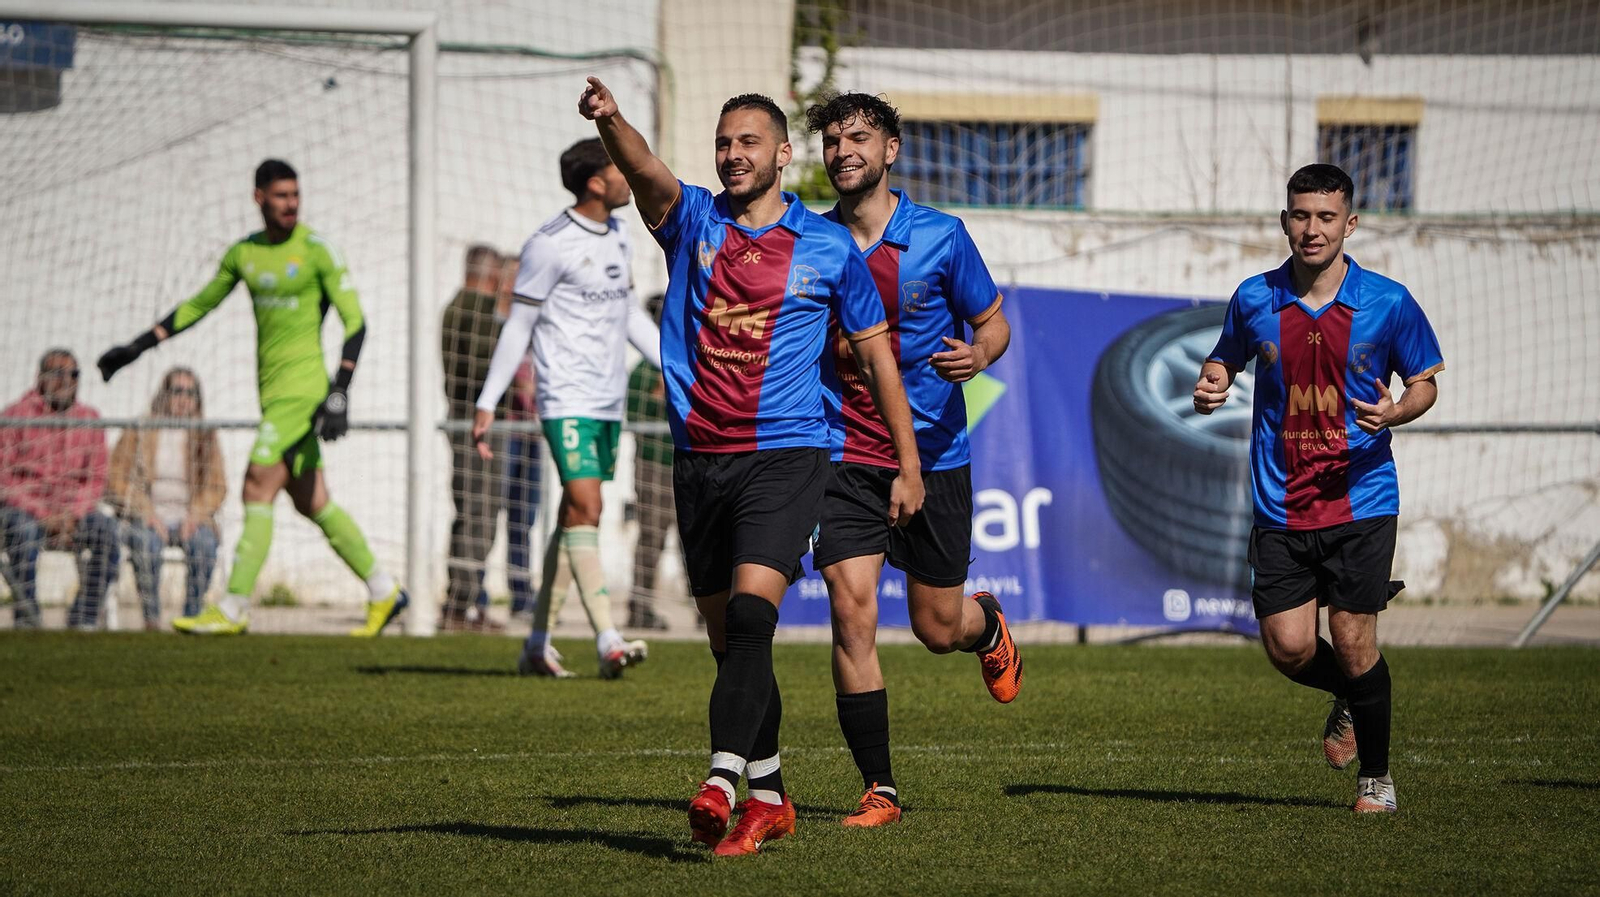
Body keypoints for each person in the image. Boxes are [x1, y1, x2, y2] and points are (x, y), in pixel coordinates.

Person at [581, 76, 924, 856]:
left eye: (748, 143)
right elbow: (646, 172)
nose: (733, 155)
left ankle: (721, 778)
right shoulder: (693, 221)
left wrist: (908, 463)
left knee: (748, 619)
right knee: (728, 643)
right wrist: (612, 122)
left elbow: (877, 360)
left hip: (788, 456)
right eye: (723, 143)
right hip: (700, 458)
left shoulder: (830, 246)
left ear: (782, 155)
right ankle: (769, 794)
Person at [1193, 163, 1444, 814]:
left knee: (1355, 637)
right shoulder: (1254, 298)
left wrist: (1396, 412)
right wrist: (1214, 377)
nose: (1313, 229)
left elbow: (1424, 383)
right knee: (1289, 646)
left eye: (1326, 217)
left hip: (1362, 496)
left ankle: (1377, 782)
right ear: (1285, 221)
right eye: (1301, 215)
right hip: (1279, 501)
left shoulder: (1387, 302)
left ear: (1349, 223)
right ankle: (1353, 697)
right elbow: (1225, 355)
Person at [804, 92, 1024, 828]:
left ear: (891, 149)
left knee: (935, 628)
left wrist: (977, 353)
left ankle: (984, 624)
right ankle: (880, 789)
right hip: (843, 455)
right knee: (851, 606)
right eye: (833, 140)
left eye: (859, 137)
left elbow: (994, 325)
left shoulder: (942, 237)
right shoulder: (811, 240)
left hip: (935, 454)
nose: (843, 151)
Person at [96, 159, 408, 637]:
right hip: (273, 395)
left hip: (303, 395)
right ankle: (384, 589)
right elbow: (200, 305)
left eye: (296, 195)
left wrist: (340, 391)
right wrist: (136, 347)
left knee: (256, 486)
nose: (291, 204)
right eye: (281, 196)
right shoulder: (245, 254)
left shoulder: (317, 251)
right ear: (258, 197)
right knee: (313, 501)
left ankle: (235, 606)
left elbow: (356, 322)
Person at [473, 138, 659, 679]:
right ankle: (606, 637)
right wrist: (488, 401)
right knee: (589, 507)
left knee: (574, 516)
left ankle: (536, 643)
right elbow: (520, 325)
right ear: (596, 183)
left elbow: (628, 315)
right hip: (564, 398)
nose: (628, 176)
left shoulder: (621, 236)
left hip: (606, 399)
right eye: (618, 169)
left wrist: (678, 366)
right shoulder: (548, 244)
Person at [0, 349, 119, 630]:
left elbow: (96, 478)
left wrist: (73, 514)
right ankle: (27, 618)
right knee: (22, 532)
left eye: (73, 374)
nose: (66, 380)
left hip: (73, 513)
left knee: (108, 531)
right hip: (25, 511)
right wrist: (42, 514)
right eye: (57, 373)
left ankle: (84, 617)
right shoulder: (14, 417)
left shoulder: (90, 418)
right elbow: (4, 479)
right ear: (40, 377)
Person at [106, 367, 226, 630]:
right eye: (177, 391)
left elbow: (217, 485)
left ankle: (191, 618)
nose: (184, 398)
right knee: (144, 543)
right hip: (147, 515)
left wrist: (196, 514)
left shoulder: (205, 433)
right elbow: (116, 478)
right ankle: (152, 619)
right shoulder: (139, 429)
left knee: (205, 545)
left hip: (191, 516)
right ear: (164, 394)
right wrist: (145, 512)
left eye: (190, 393)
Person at [440, 243, 507, 630]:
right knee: (479, 513)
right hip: (476, 425)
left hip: (463, 420)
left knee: (470, 511)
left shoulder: (456, 307)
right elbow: (483, 364)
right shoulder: (475, 309)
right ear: (491, 275)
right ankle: (462, 603)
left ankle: (463, 601)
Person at [498, 254, 548, 620]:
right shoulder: (496, 323)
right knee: (486, 511)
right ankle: (474, 596)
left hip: (532, 433)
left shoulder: (534, 320)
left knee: (524, 517)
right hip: (506, 432)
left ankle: (521, 593)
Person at [624, 292, 676, 631]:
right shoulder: (644, 370)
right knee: (652, 538)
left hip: (683, 461)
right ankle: (639, 608)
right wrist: (658, 401)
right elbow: (632, 415)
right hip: (653, 466)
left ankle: (704, 608)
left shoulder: (681, 360)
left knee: (694, 540)